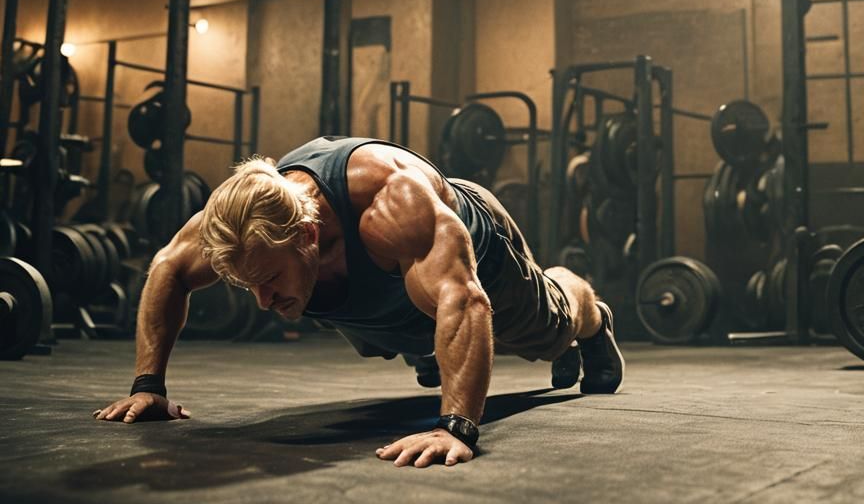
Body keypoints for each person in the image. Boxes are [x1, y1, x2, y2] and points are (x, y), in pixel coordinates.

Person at [94, 136, 624, 467]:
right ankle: (427, 346)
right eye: (248, 285)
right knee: (423, 330)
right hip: (406, 302)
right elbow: (167, 267)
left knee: (547, 329)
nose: (262, 302)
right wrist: (148, 386)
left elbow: (465, 302)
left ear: (308, 234)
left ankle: (593, 320)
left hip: (475, 259)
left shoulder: (390, 205)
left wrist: (455, 427)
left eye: (270, 279)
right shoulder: (243, 224)